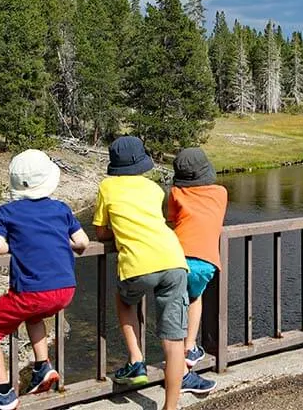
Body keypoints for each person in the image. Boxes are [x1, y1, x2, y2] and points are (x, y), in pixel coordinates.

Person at [93, 136, 215, 410]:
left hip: (138, 263)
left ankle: (136, 360)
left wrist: (120, 232)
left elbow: (101, 232)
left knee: (125, 300)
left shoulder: (107, 187)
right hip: (173, 259)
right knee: (173, 342)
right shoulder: (153, 188)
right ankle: (170, 407)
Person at [0, 149, 89, 410]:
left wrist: (17, 243)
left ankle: (2, 392)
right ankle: (42, 367)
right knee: (33, 316)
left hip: (33, 291)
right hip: (65, 289)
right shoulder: (61, 208)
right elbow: (82, 241)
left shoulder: (6, 212)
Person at [166, 148, 227, 368]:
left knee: (175, 307)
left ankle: (175, 358)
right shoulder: (221, 192)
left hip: (176, 259)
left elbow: (172, 221)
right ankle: (190, 347)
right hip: (206, 261)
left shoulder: (175, 193)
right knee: (195, 298)